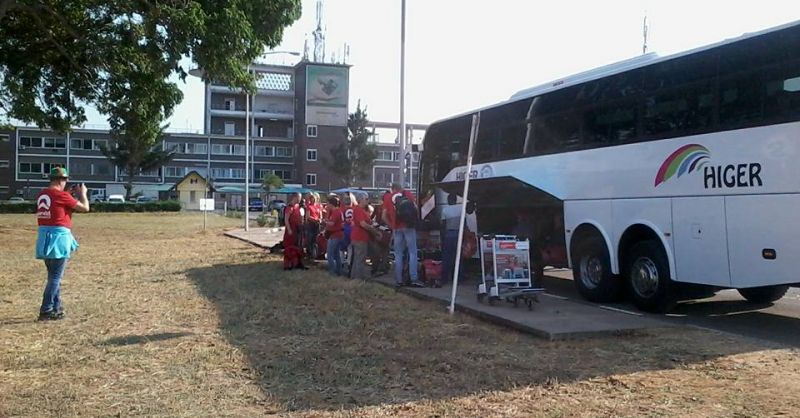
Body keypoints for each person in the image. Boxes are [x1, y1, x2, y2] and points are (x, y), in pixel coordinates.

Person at [35, 167, 90, 321]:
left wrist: (69, 196)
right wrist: (82, 195)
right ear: (61, 180)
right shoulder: (61, 195)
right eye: (66, 180)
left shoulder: (42, 194)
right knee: (55, 277)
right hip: (58, 238)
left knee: (52, 275)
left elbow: (56, 205)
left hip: (44, 237)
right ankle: (46, 310)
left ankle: (56, 308)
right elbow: (85, 208)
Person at [382, 183, 423, 287]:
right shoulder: (407, 194)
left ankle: (399, 280)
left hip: (397, 228)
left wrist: (392, 226)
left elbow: (383, 216)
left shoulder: (388, 197)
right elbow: (416, 209)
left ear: (392, 189)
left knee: (398, 254)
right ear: (400, 188)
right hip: (409, 227)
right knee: (413, 252)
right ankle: (413, 278)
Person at [350, 193, 383, 280]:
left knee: (358, 258)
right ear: (361, 200)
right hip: (359, 238)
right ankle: (358, 278)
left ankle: (354, 277)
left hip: (360, 237)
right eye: (366, 199)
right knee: (360, 259)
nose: (368, 201)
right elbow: (363, 224)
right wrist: (375, 232)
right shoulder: (359, 210)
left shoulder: (360, 210)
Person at [282, 193, 307, 270]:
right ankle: (288, 264)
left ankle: (297, 263)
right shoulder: (289, 207)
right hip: (291, 230)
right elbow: (286, 220)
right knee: (289, 247)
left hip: (297, 229)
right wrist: (289, 229)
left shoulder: (298, 207)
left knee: (297, 247)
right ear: (295, 197)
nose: (300, 199)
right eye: (299, 198)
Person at [324, 196, 344, 275]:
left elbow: (332, 223)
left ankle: (332, 271)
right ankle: (339, 271)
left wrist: (325, 222)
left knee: (330, 254)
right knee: (336, 254)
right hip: (338, 235)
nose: (327, 205)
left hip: (334, 236)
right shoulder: (338, 211)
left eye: (328, 203)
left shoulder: (336, 212)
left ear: (332, 204)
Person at [304, 192, 323, 258]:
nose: (313, 200)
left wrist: (320, 219)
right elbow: (308, 216)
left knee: (316, 238)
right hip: (311, 224)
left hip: (317, 225)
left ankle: (315, 252)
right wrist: (315, 219)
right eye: (312, 198)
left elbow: (320, 215)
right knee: (310, 238)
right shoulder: (309, 207)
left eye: (314, 198)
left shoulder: (318, 206)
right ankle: (309, 252)